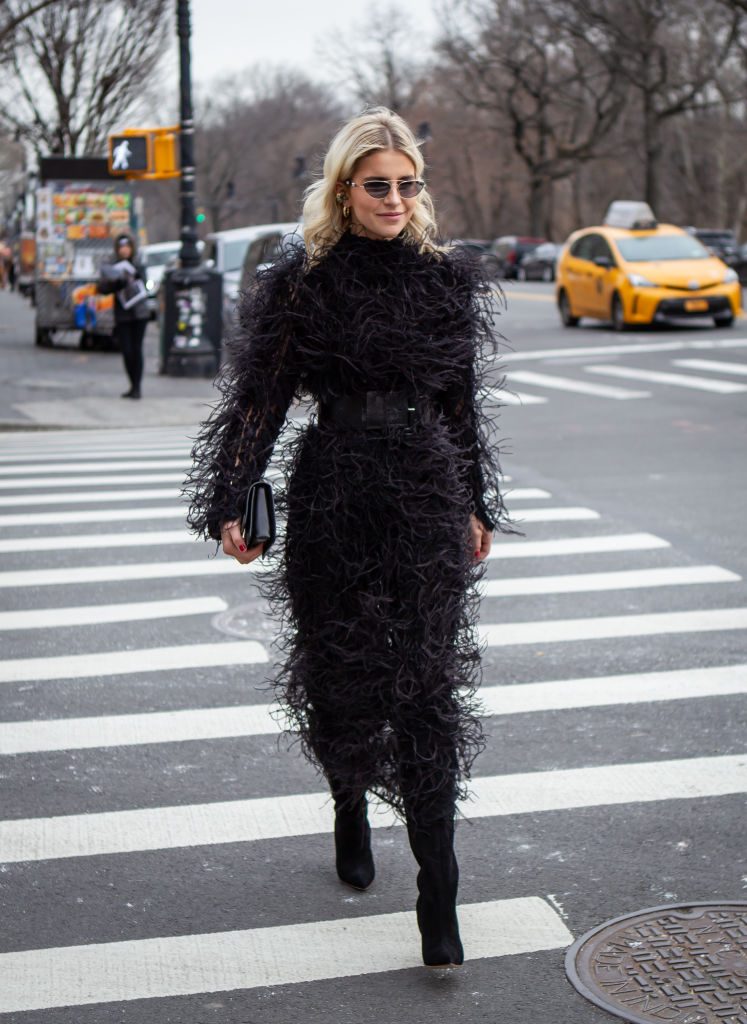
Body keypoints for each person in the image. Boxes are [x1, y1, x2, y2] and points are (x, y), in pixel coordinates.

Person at [185, 107, 509, 968]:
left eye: (408, 185)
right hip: (332, 488)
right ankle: (347, 803)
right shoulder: (302, 282)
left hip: (426, 493)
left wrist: (475, 503)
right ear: (343, 190)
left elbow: (460, 409)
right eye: (378, 186)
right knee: (338, 675)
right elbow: (259, 398)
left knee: (430, 687)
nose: (396, 199)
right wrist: (232, 494)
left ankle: (437, 891)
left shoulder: (446, 282)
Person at [98, 231, 149, 398]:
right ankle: (132, 384)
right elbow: (102, 288)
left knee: (136, 349)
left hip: (139, 313)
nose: (124, 250)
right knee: (127, 350)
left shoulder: (138, 264)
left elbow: (145, 285)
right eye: (121, 247)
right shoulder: (112, 266)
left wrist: (138, 277)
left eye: (127, 247)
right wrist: (116, 284)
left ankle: (137, 387)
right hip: (123, 313)